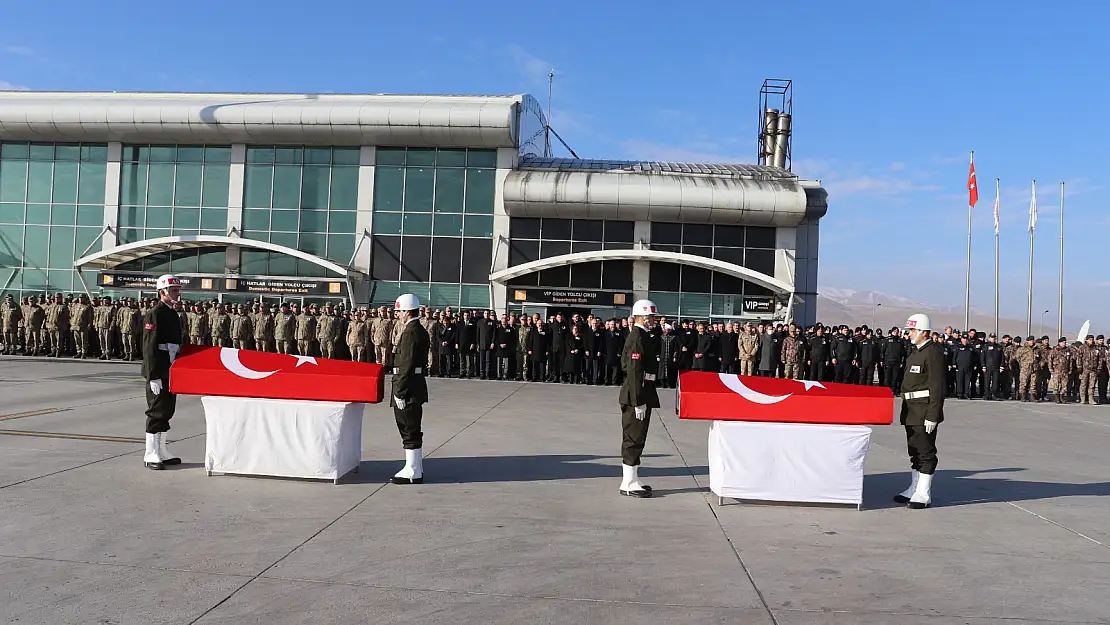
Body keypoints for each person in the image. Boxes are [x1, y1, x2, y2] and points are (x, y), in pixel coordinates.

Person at [894, 313, 946, 509]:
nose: (909, 334)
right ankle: (914, 489)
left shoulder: (932, 353)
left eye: (913, 331)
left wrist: (933, 415)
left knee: (925, 452)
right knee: (914, 450)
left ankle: (923, 494)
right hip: (911, 411)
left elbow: (937, 387)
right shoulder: (915, 352)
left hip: (924, 412)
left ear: (924, 332)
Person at [617, 299, 661, 498]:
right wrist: (638, 401)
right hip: (636, 394)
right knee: (633, 437)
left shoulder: (642, 335)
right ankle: (628, 482)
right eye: (652, 317)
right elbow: (635, 371)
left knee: (639, 437)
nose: (654, 320)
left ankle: (633, 477)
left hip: (642, 392)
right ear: (643, 317)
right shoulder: (637, 337)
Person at [142, 275, 185, 471]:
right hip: (159, 370)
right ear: (163, 292)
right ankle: (150, 453)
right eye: (174, 290)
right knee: (156, 412)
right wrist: (153, 375)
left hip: (170, 369)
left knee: (167, 411)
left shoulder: (173, 313)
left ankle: (161, 450)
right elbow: (150, 347)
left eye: (178, 289)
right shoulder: (155, 313)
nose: (178, 293)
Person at [389, 293, 430, 485]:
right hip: (412, 384)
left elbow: (407, 364)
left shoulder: (412, 332)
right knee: (410, 426)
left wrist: (399, 391)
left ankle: (413, 470)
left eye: (399, 311)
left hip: (408, 387)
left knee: (408, 426)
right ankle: (414, 467)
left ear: (407, 311)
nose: (398, 315)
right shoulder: (415, 329)